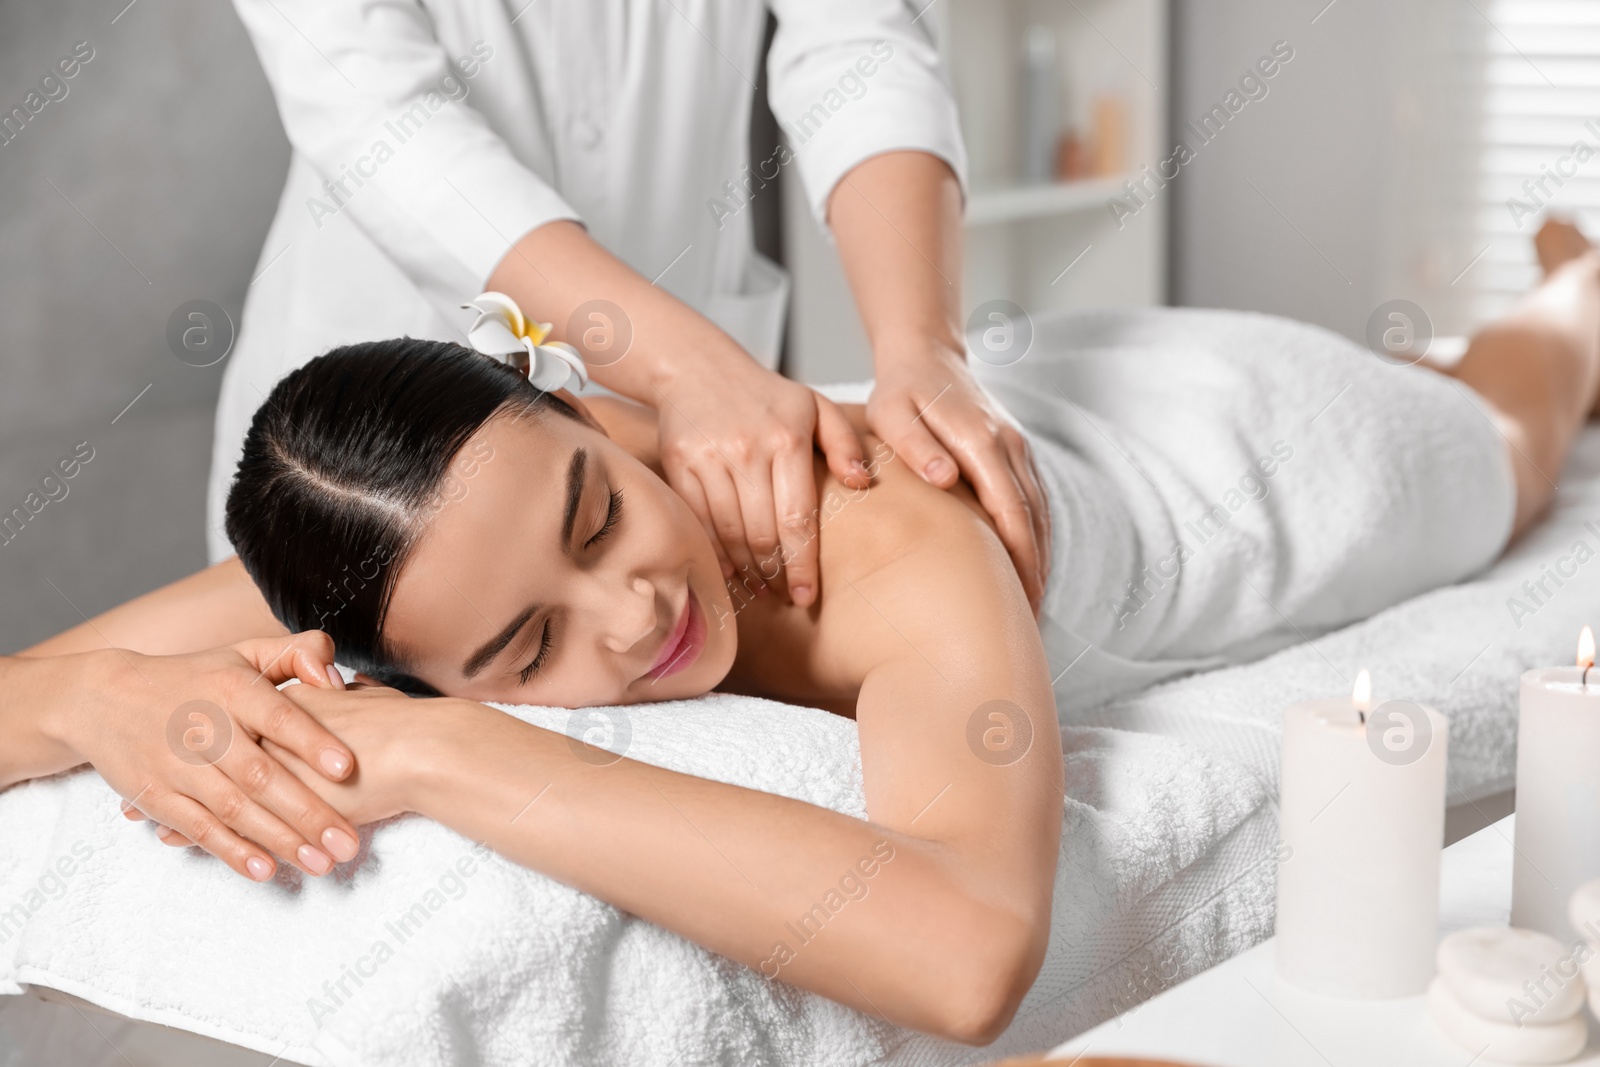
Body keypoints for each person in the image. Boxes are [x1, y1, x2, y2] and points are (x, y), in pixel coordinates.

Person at [8, 221, 1599, 1041]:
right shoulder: (403, 559)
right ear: (389, 638)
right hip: (1077, 389)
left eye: (595, 511)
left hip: (1256, 457)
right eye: (521, 653)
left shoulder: (894, 544)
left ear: (582, 407)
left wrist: (447, 747)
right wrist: (100, 701)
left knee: (1511, 422)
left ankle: (1573, 289)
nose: (635, 609)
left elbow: (971, 950)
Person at [213, 0, 1051, 615]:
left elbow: (861, 39)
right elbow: (381, 117)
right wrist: (685, 366)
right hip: (381, 399)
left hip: (684, 407)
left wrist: (921, 343)